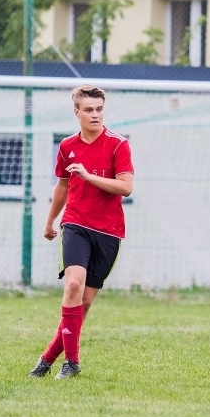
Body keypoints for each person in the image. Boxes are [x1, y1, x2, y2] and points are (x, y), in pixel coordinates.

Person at [29, 85, 134, 380]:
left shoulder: (118, 145)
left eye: (99, 109)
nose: (95, 115)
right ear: (77, 113)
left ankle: (48, 358)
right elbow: (63, 186)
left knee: (84, 303)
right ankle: (72, 361)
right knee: (73, 286)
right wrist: (50, 221)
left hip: (109, 231)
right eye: (89, 110)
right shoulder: (67, 146)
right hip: (75, 224)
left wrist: (88, 176)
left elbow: (126, 187)